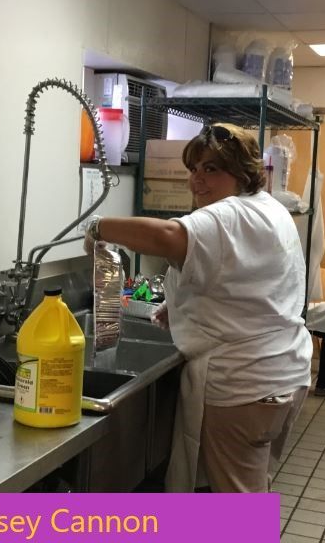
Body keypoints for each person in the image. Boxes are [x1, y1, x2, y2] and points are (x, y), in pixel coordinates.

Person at [84, 123, 312, 494]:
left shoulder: (226, 215)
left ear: (243, 173)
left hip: (242, 386)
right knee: (249, 489)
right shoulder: (268, 209)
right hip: (285, 376)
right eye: (193, 169)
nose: (197, 180)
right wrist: (180, 307)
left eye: (211, 169)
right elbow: (246, 281)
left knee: (237, 507)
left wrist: (98, 226)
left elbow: (167, 237)